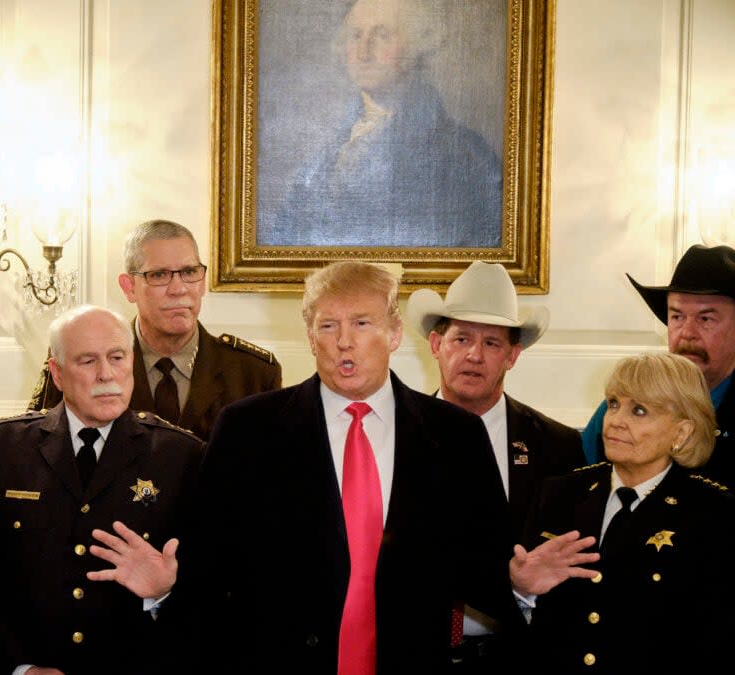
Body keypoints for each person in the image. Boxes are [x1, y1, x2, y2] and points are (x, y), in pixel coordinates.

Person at [181, 261, 523, 674]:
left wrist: (521, 585)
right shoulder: (247, 429)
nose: (344, 341)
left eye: (362, 323)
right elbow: (210, 572)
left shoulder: (456, 436)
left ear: (394, 334)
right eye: (328, 327)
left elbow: (484, 565)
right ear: (310, 338)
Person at [0, 304, 204, 674]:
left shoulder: (182, 456)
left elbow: (217, 597)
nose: (106, 374)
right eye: (87, 361)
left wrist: (163, 593)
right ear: (56, 373)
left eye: (117, 357)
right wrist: (18, 669)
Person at [406, 260, 585, 669]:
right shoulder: (396, 433)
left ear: (513, 356)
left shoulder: (557, 446)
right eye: (461, 338)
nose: (473, 355)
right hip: (410, 653)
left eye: (491, 343)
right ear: (436, 345)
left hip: (515, 657)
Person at [511, 351, 735, 673]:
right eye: (613, 403)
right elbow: (526, 638)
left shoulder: (713, 513)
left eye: (639, 410)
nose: (615, 420)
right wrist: (521, 591)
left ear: (681, 432)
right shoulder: (558, 494)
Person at [258, 0, 502, 248]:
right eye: (355, 36)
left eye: (382, 35)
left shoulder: (467, 156)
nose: (363, 53)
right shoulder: (326, 155)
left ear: (417, 45)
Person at [28, 219, 282, 440]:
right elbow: (46, 449)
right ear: (129, 287)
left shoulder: (252, 373)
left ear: (202, 281)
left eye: (189, 272)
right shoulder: (81, 361)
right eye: (159, 275)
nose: (178, 289)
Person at [581, 244, 735, 486]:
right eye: (677, 317)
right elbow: (581, 487)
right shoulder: (625, 400)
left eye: (705, 319)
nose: (687, 333)